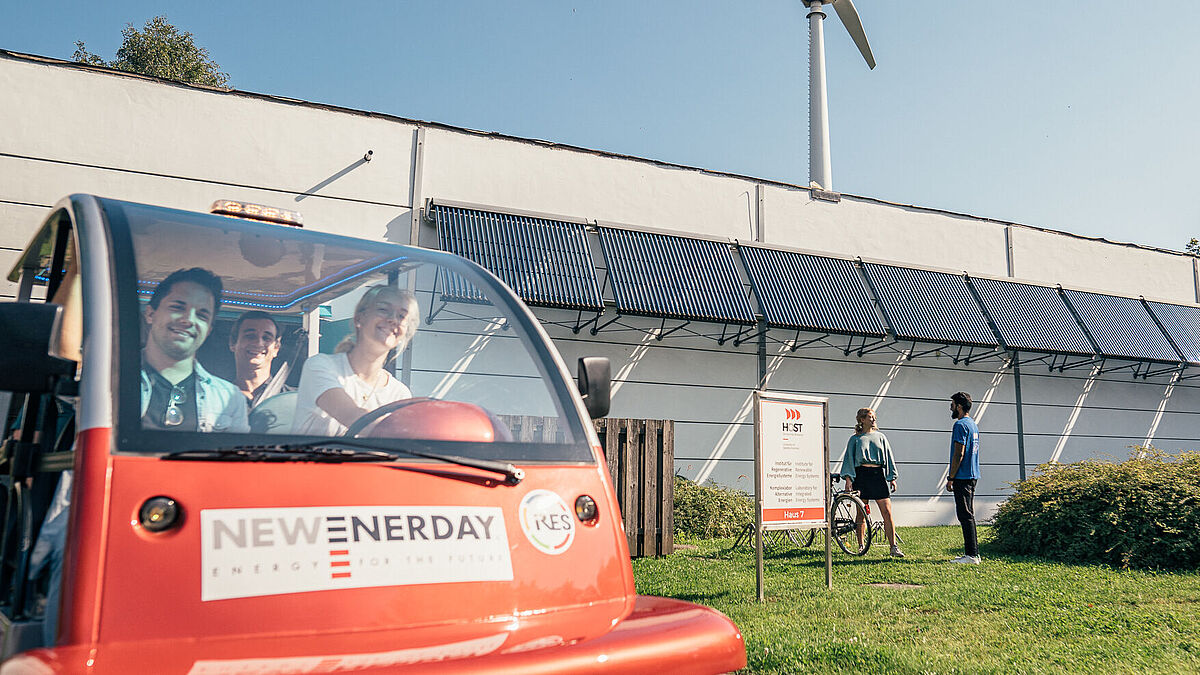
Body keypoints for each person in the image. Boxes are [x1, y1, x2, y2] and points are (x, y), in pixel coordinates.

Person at [293, 285, 419, 436]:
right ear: (359, 318)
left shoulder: (400, 394)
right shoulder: (319, 366)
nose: (392, 320)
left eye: (402, 316)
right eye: (383, 310)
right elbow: (354, 417)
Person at [140, 268, 249, 433]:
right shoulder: (108, 380)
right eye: (177, 307)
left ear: (209, 330)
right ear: (150, 314)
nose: (188, 320)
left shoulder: (230, 399)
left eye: (202, 315)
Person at [839, 407, 903, 558]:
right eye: (869, 417)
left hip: (878, 475)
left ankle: (893, 546)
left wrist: (892, 477)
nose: (873, 419)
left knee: (887, 512)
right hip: (862, 476)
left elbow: (889, 457)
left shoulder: (881, 437)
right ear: (862, 420)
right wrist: (848, 480)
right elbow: (848, 460)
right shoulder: (855, 439)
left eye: (874, 417)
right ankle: (861, 546)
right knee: (861, 514)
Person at [947, 391, 981, 564]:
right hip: (972, 474)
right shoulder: (972, 424)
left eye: (952, 404)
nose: (950, 407)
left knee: (965, 514)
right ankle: (972, 553)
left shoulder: (960, 425)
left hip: (962, 476)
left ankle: (972, 555)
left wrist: (950, 477)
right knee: (968, 513)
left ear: (959, 406)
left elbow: (958, 453)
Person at [229, 310, 284, 406]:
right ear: (233, 343)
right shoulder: (217, 397)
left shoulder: (292, 398)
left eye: (266, 338)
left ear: (276, 349)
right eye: (250, 336)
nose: (258, 343)